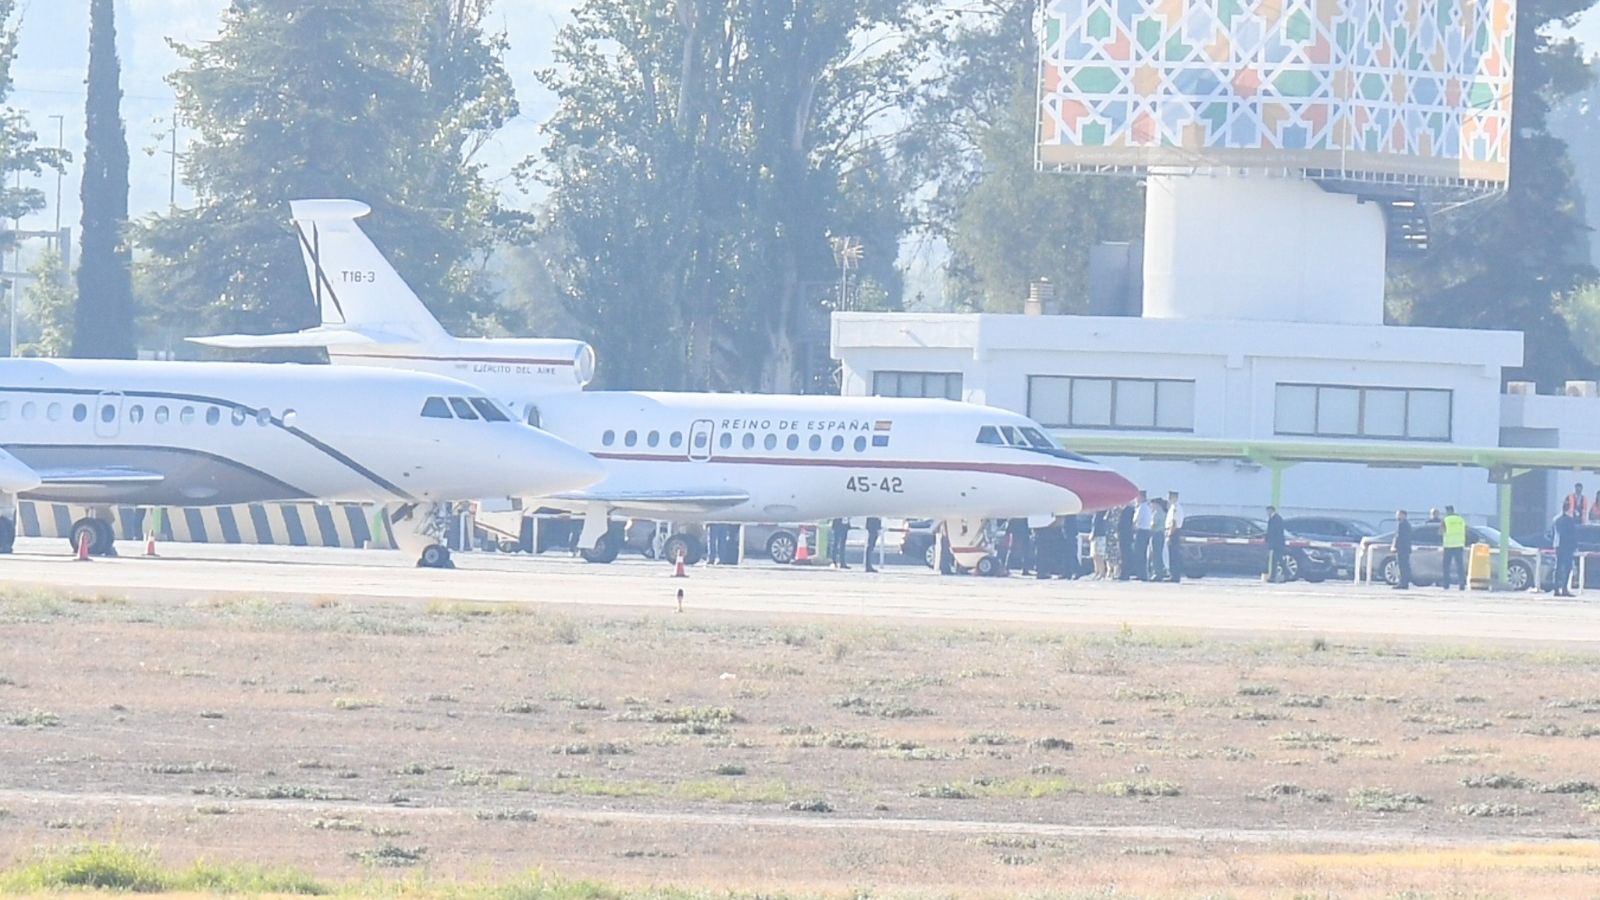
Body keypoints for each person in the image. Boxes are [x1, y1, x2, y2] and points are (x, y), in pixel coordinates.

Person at [1440, 505, 1467, 591]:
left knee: (1446, 566)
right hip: (1459, 545)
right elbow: (1466, 530)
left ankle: (1446, 584)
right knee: (1460, 566)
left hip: (1448, 545)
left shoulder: (1445, 520)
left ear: (1447, 511)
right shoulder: (1461, 520)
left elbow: (1441, 532)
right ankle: (1462, 584)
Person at [1553, 505, 1577, 597]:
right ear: (1568, 510)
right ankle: (1564, 589)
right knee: (1567, 568)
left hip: (1558, 546)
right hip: (1567, 547)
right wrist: (1574, 546)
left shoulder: (1556, 520)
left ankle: (1556, 589)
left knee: (1558, 568)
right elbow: (1572, 535)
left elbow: (1554, 534)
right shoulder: (1570, 521)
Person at [1131, 491, 1153, 580]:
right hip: (1146, 531)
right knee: (1143, 554)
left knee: (1139, 554)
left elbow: (1136, 520)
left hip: (1141, 531)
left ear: (1141, 497)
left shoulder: (1141, 508)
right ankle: (1142, 574)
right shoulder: (1147, 507)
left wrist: (1132, 528)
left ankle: (1141, 574)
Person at [1147, 498, 1168, 581]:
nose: (1151, 506)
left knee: (1156, 555)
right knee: (1158, 554)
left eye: (1152, 504)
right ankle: (1160, 572)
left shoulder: (1157, 513)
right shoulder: (1163, 512)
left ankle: (1157, 573)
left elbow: (1153, 525)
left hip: (1156, 534)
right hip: (1161, 534)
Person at [1165, 491, 1184, 582]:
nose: (1169, 499)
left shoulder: (1176, 508)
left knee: (1174, 555)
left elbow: (1174, 523)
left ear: (1175, 497)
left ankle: (1175, 576)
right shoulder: (1173, 507)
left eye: (1170, 497)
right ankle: (1173, 574)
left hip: (1174, 532)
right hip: (1173, 531)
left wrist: (1169, 535)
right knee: (1172, 555)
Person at [1265, 506, 1286, 582]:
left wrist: (1271, 543)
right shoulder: (1272, 518)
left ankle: (1286, 574)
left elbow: (1275, 532)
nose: (1267, 513)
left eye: (1268, 511)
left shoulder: (1276, 519)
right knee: (1274, 560)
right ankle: (1273, 576)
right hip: (1275, 543)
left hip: (1277, 543)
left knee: (1279, 559)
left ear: (1271, 510)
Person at [1391, 509, 1412, 590]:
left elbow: (1399, 537)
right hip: (1404, 548)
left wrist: (1395, 546)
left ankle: (1403, 582)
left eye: (1399, 514)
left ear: (1403, 515)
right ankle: (1404, 582)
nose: (1397, 516)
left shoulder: (1403, 524)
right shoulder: (1404, 524)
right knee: (1403, 566)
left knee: (1403, 566)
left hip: (1403, 549)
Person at [1116, 501, 1136, 581]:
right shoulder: (1124, 510)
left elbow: (1126, 524)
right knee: (1123, 555)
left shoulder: (1129, 510)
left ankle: (1125, 573)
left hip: (1126, 535)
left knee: (1125, 555)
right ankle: (1123, 572)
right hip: (1123, 535)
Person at [1089, 511, 1109, 579]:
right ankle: (1096, 571)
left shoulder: (1100, 514)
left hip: (1099, 536)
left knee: (1099, 556)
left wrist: (1093, 534)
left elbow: (1096, 525)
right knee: (1094, 556)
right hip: (1095, 536)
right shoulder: (1096, 514)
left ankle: (1102, 572)